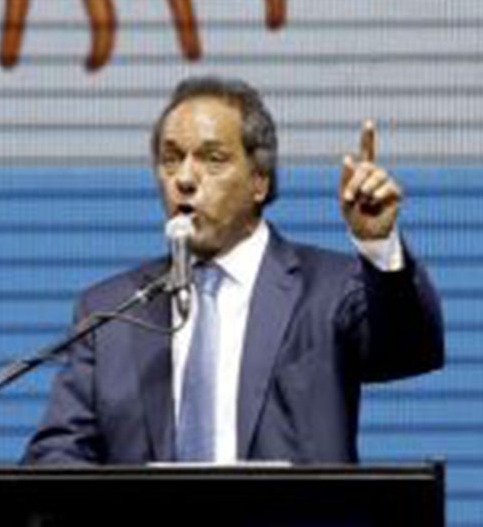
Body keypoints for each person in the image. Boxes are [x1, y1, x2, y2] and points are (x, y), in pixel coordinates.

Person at [22, 76, 444, 465]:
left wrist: (377, 245)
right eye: (171, 160)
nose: (184, 179)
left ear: (259, 181)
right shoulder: (110, 312)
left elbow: (408, 350)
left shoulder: (329, 290)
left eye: (212, 159)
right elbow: (57, 455)